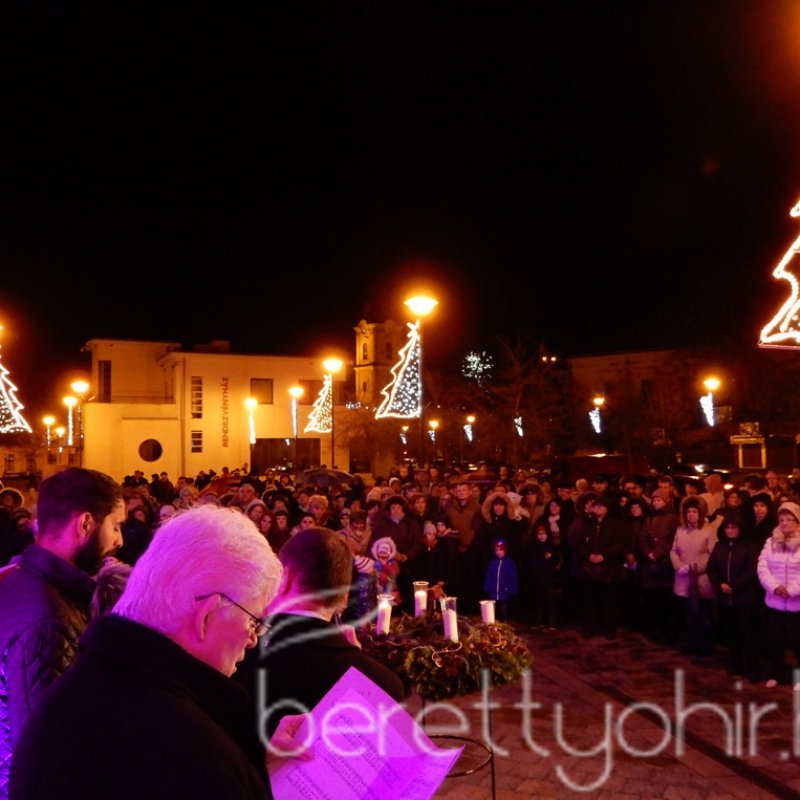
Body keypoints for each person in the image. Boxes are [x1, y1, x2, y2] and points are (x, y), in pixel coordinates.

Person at [10, 504, 300, 800]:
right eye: (254, 620)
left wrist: (250, 762)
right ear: (207, 616)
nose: (253, 640)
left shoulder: (82, 688)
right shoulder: (199, 764)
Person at [0, 468, 126, 799]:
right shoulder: (48, 615)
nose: (119, 540)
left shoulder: (23, 580)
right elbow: (44, 749)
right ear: (86, 524)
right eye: (115, 526)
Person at [253, 527, 405, 739]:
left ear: (284, 578)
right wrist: (356, 662)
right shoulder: (383, 685)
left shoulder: (239, 662)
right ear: (343, 597)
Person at [707, 514, 762, 682]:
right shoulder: (719, 546)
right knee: (732, 634)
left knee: (748, 634)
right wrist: (720, 584)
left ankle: (752, 668)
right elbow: (711, 567)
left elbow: (752, 569)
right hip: (725, 598)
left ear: (740, 530)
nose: (730, 531)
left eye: (734, 528)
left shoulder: (749, 547)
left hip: (744, 598)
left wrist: (734, 585)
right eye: (727, 528)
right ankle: (734, 664)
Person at [757, 501, 800, 689]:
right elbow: (762, 566)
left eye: (789, 519)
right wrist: (774, 587)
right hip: (775, 600)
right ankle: (776, 673)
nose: (784, 523)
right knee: (775, 639)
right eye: (781, 519)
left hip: (797, 602)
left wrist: (791, 590)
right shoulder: (770, 542)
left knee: (799, 640)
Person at [670, 495, 716, 657]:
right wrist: (678, 566)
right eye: (688, 511)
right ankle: (691, 643)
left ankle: (705, 645)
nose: (691, 514)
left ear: (700, 513)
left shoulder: (709, 531)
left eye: (694, 511)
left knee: (703, 614)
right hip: (683, 578)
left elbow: (712, 555)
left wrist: (694, 568)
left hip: (701, 579)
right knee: (688, 613)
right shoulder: (680, 530)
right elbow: (674, 550)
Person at [482, 538, 519, 622]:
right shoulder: (493, 563)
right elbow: (489, 576)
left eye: (501, 550)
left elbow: (512, 577)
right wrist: (487, 587)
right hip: (494, 592)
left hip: (504, 592)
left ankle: (505, 625)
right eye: (497, 550)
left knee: (504, 610)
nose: (499, 552)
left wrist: (511, 589)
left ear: (505, 551)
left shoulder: (509, 563)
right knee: (495, 611)